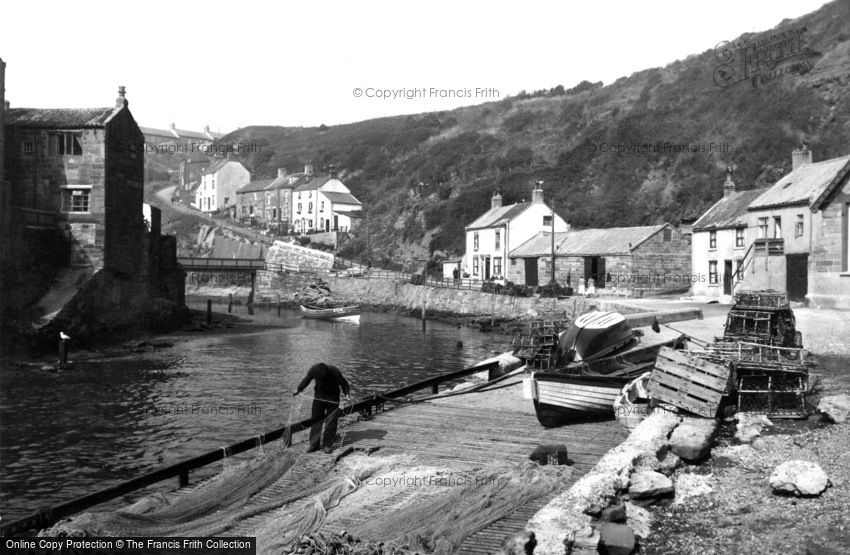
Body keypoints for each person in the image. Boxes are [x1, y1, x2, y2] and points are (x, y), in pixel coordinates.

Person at [293, 362, 351, 453]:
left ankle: (327, 445)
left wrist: (347, 394)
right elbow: (306, 380)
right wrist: (299, 389)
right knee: (316, 420)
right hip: (319, 398)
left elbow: (344, 384)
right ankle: (314, 445)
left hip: (333, 398)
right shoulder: (314, 369)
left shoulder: (334, 372)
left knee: (331, 422)